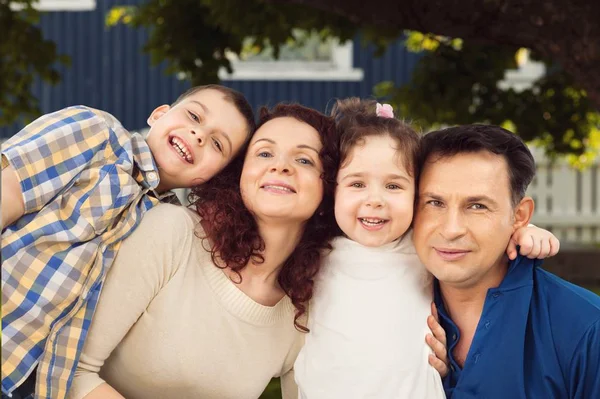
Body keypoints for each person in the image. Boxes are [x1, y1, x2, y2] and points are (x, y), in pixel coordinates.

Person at [66, 104, 340, 399]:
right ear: (240, 175)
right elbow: (72, 372)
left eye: (304, 159)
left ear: (330, 189)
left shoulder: (302, 313)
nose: (281, 166)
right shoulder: (173, 233)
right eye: (264, 153)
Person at [1, 85, 255, 399]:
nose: (199, 135)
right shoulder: (96, 133)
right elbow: (8, 193)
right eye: (194, 115)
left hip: (33, 381)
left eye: (217, 144)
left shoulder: (169, 230)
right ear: (158, 115)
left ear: (215, 177)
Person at [294, 99, 560, 399]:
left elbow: (482, 243)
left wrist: (526, 231)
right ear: (334, 190)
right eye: (357, 184)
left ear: (415, 194)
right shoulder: (316, 251)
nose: (375, 200)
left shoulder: (419, 246)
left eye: (393, 186)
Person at [413, 124, 600, 398]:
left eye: (477, 206)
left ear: (520, 215)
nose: (451, 229)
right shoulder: (383, 308)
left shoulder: (586, 328)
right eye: (434, 202)